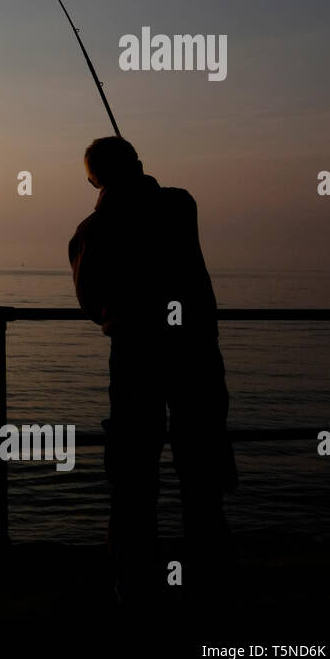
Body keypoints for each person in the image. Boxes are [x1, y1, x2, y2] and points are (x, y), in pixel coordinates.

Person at [67, 136, 235, 608]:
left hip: (136, 358)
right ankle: (211, 582)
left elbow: (89, 302)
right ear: (138, 164)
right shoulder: (179, 206)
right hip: (195, 355)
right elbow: (162, 199)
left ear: (92, 180)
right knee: (201, 473)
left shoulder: (91, 231)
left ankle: (134, 586)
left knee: (133, 478)